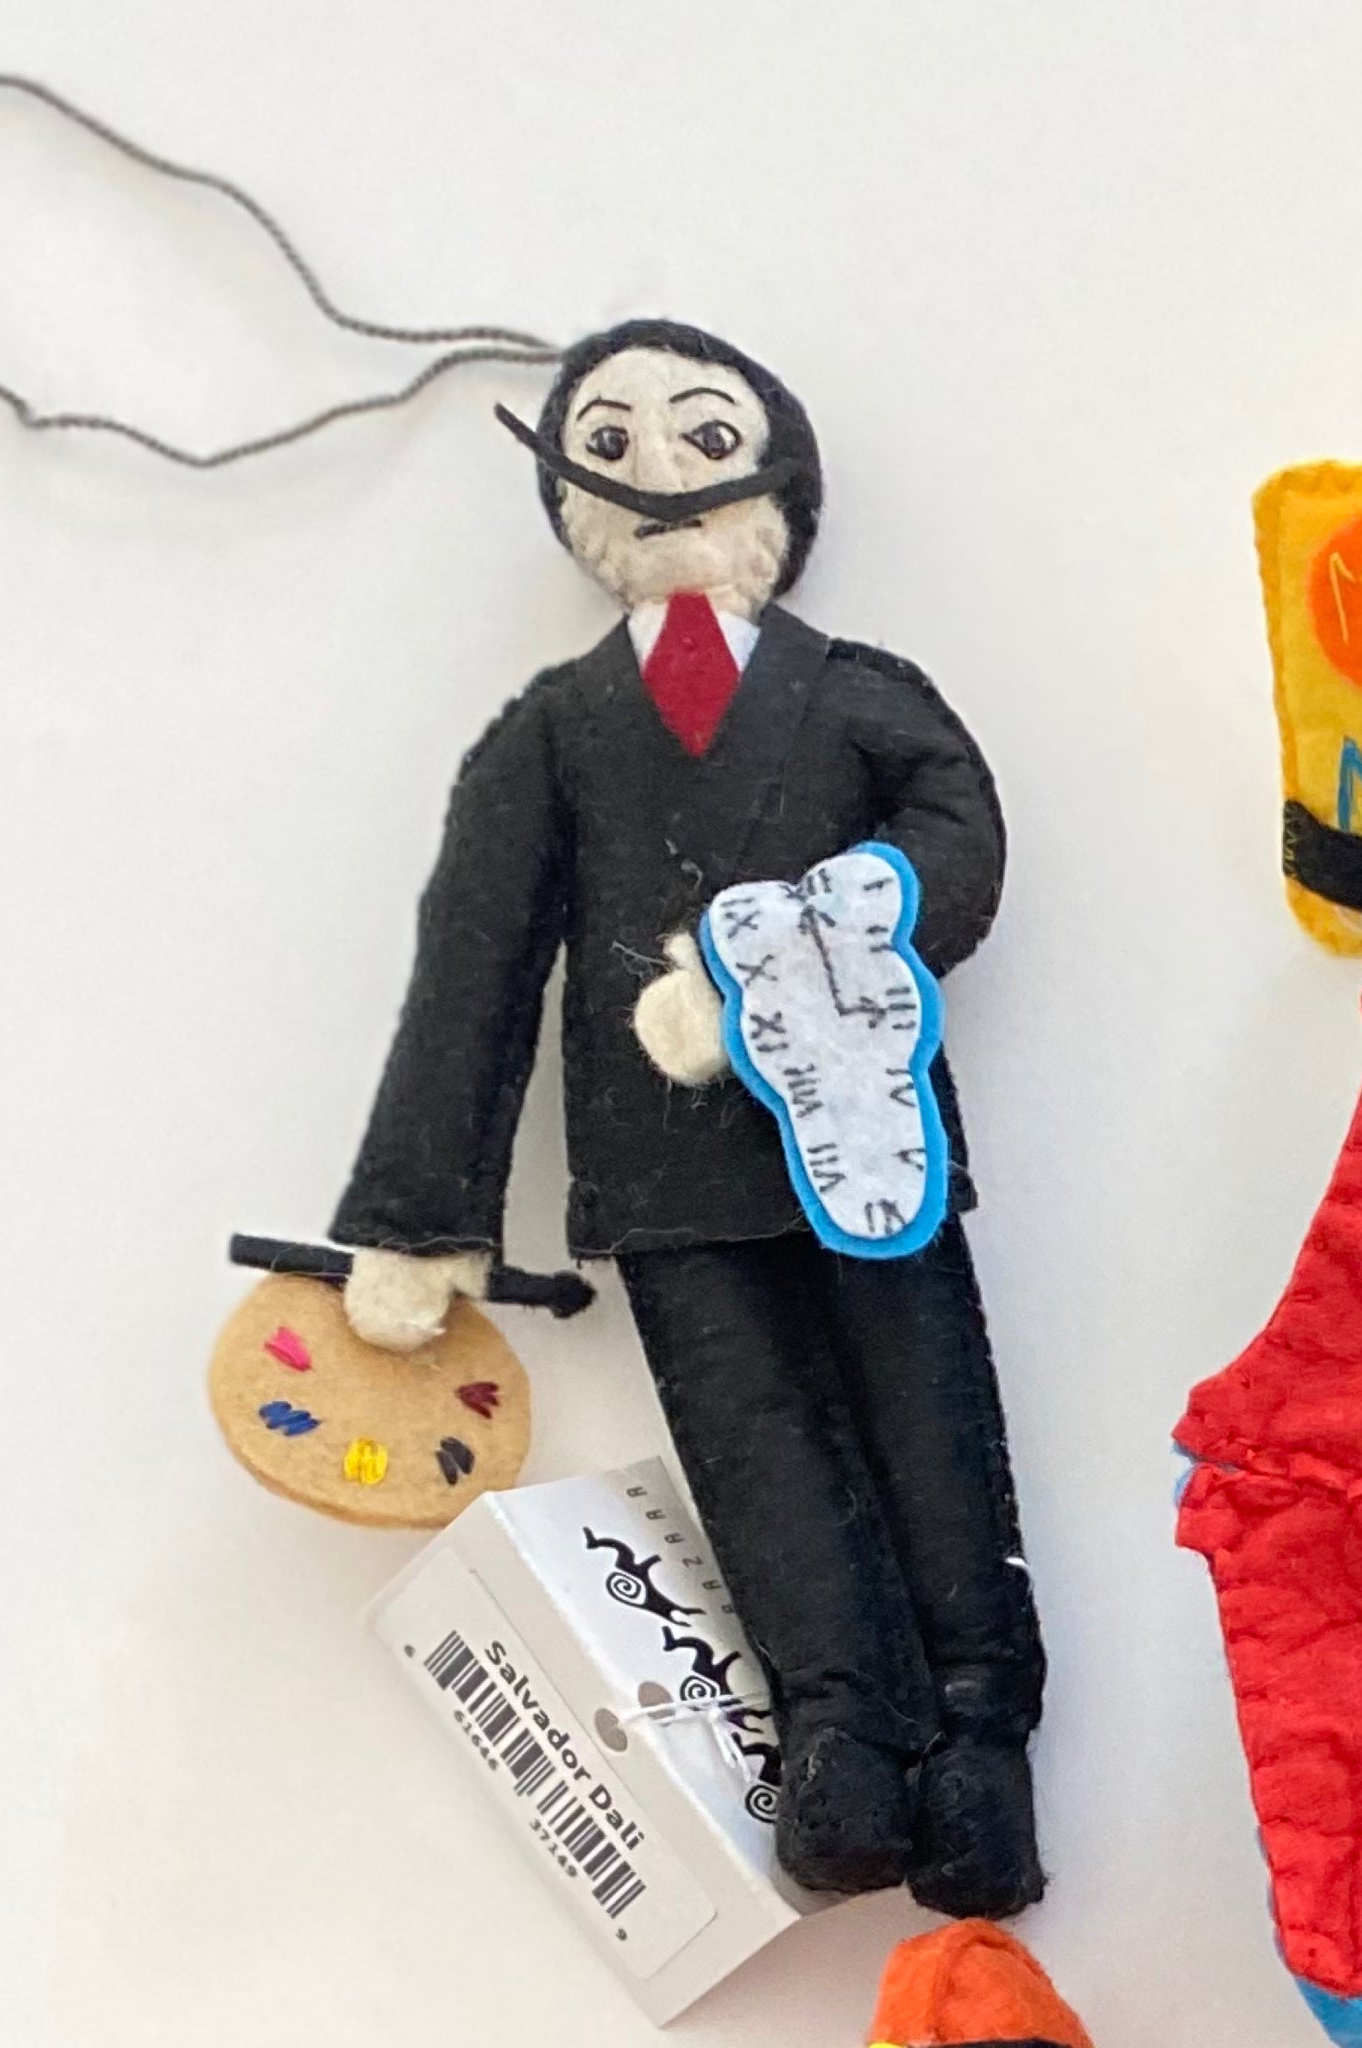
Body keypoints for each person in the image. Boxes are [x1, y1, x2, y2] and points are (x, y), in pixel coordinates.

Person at [330, 319, 1046, 1917]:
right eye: (615, 443)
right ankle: (841, 1729)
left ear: (778, 481)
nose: (660, 470)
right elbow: (474, 963)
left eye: (703, 436)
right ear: (573, 498)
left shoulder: (857, 699)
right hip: (662, 1176)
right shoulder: (553, 735)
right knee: (755, 1450)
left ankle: (984, 1738)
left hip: (868, 1140)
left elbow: (962, 837)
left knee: (934, 1425)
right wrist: (420, 1215)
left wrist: (803, 947)